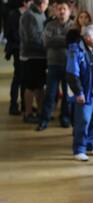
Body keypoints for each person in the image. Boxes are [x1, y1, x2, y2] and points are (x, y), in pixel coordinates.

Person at [66, 24, 93, 161]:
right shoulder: (75, 50)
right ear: (88, 37)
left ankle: (91, 145)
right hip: (84, 92)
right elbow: (72, 74)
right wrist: (78, 92)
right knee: (83, 121)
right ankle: (79, 149)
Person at [37, 0, 73, 131]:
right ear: (55, 11)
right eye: (59, 9)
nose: (62, 11)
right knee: (50, 94)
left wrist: (56, 39)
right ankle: (44, 120)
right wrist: (65, 39)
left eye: (64, 9)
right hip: (53, 64)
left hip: (69, 65)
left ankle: (65, 118)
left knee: (67, 95)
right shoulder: (50, 25)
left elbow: (73, 42)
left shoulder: (73, 26)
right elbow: (46, 42)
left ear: (69, 11)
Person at [19, 0, 49, 123]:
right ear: (42, 3)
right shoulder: (29, 15)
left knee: (40, 86)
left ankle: (41, 112)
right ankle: (28, 113)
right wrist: (48, 45)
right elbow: (31, 38)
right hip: (31, 56)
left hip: (40, 56)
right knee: (30, 86)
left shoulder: (41, 13)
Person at [4, 0, 31, 116]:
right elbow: (11, 33)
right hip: (17, 49)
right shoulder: (14, 15)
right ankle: (13, 105)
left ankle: (25, 105)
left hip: (28, 50)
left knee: (26, 78)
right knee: (18, 77)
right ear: (25, 3)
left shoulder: (29, 14)